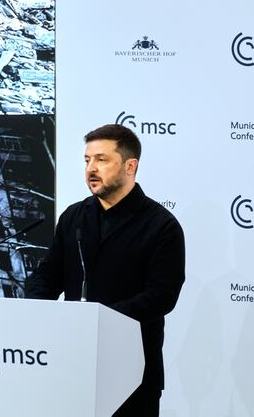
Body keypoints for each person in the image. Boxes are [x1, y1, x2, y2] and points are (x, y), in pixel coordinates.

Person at [25, 124, 185, 416]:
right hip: (72, 364)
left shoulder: (162, 225)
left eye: (101, 159)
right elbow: (48, 275)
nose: (91, 169)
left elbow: (162, 296)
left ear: (130, 166)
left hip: (133, 374)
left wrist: (101, 320)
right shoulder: (74, 216)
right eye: (87, 160)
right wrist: (36, 311)